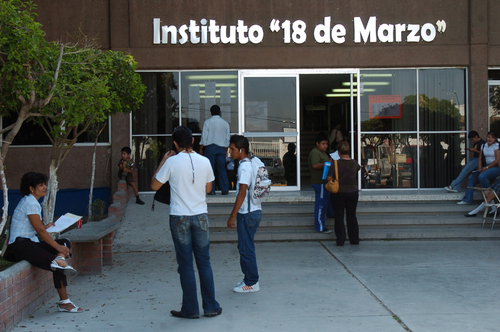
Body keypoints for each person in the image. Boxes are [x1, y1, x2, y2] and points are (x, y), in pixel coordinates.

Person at [151, 126, 221, 319]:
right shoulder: (205, 161)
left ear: (175, 143)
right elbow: (208, 189)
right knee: (204, 263)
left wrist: (164, 160)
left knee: (186, 264)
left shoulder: (172, 162)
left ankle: (190, 309)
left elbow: (154, 185)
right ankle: (211, 307)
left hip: (179, 216)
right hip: (200, 216)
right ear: (192, 141)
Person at [3, 172, 83, 313]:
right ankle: (64, 301)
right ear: (31, 189)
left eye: (45, 184)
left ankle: (59, 259)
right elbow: (40, 231)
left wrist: (46, 229)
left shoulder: (31, 201)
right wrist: (56, 245)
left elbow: (36, 228)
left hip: (30, 243)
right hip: (18, 247)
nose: (45, 187)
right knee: (57, 258)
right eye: (41, 185)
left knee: (64, 242)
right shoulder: (30, 202)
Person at [227, 135, 262, 293]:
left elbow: (242, 193)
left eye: (232, 149)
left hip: (247, 213)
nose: (230, 152)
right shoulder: (253, 162)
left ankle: (252, 282)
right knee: (245, 246)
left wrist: (232, 215)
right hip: (255, 210)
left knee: (246, 248)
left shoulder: (244, 167)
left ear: (241, 150)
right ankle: (249, 278)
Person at [327, 141, 361, 246]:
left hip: (339, 192)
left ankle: (341, 240)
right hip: (353, 192)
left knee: (339, 216)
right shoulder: (354, 163)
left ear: (338, 151)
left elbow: (328, 178)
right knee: (352, 216)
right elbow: (358, 168)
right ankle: (354, 239)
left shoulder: (335, 163)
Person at [458, 131, 500, 205]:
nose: (490, 139)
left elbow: (497, 160)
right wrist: (480, 168)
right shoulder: (483, 145)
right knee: (472, 177)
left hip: (494, 167)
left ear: (495, 139)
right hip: (486, 166)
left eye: (492, 138)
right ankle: (467, 199)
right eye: (489, 137)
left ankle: (489, 197)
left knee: (482, 176)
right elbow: (480, 158)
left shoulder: (496, 146)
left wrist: (487, 168)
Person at [199, 105, 230, 195]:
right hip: (221, 148)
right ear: (220, 112)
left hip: (210, 148)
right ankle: (224, 189)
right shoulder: (225, 123)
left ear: (211, 112)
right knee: (222, 169)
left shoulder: (207, 122)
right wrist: (225, 150)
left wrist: (201, 149)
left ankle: (211, 190)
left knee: (210, 169)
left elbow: (204, 137)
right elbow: (227, 139)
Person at [308, 132, 334, 233]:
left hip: (325, 182)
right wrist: (328, 163)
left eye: (326, 144)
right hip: (319, 182)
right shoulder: (315, 152)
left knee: (327, 201)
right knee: (321, 205)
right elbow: (315, 165)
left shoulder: (323, 153)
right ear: (317, 143)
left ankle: (330, 215)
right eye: (323, 144)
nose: (325, 146)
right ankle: (320, 226)